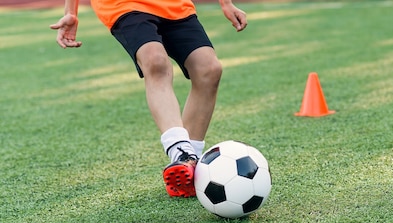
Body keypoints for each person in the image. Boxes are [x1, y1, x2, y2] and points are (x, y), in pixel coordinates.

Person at [51, 0, 248, 198]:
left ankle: (190, 165)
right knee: (155, 61)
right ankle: (180, 151)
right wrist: (71, 12)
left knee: (209, 69)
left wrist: (226, 3)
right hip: (123, 5)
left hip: (174, 5)